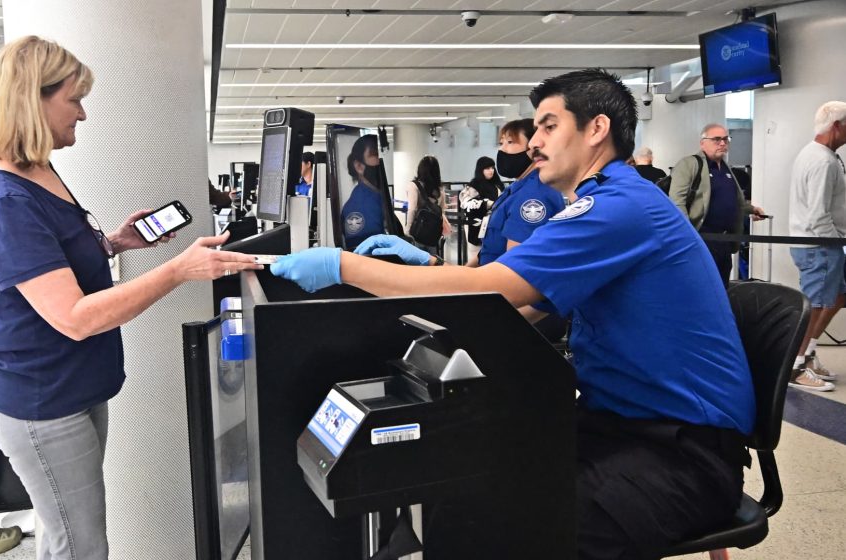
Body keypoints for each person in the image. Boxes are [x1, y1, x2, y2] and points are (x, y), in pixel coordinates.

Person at [269, 69, 754, 559]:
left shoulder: (620, 207)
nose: (535, 142)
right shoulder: (602, 201)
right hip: (614, 425)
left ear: (597, 129)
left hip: (682, 452)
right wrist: (433, 267)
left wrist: (344, 265)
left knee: (516, 527)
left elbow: (490, 287)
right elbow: (510, 304)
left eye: (548, 127)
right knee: (461, 484)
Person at [0, 36, 261, 560]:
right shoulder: (7, 200)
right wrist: (179, 270)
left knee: (64, 535)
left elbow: (51, 269)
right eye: (74, 100)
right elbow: (73, 317)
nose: (84, 114)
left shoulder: (39, 170)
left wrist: (114, 243)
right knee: (80, 547)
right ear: (35, 99)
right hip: (46, 402)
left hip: (77, 388)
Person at [787, 101, 846, 392]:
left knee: (838, 297)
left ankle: (807, 354)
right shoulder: (822, 160)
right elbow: (818, 215)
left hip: (823, 244)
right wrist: (836, 243)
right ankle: (795, 367)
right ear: (837, 126)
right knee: (815, 305)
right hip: (819, 245)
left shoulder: (820, 155)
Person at [668, 124, 766, 287]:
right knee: (702, 288)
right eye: (716, 139)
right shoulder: (690, 164)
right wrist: (687, 234)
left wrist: (751, 210)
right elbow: (676, 201)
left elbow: (732, 199)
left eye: (726, 139)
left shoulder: (726, 169)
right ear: (702, 143)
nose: (722, 143)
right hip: (702, 240)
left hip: (725, 241)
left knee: (722, 288)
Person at [475, 118, 565, 267]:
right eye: (501, 143)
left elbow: (515, 263)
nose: (502, 150)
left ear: (534, 148)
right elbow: (490, 250)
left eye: (510, 143)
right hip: (489, 277)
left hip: (502, 285)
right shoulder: (516, 188)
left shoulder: (534, 195)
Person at [339, 134, 386, 250]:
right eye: (374, 154)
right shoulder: (359, 205)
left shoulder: (377, 197)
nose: (379, 160)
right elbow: (365, 253)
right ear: (359, 166)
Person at [459, 156, 503, 260]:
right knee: (475, 256)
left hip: (494, 224)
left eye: (492, 168)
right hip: (476, 226)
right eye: (487, 168)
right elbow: (465, 203)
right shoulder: (474, 185)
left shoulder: (498, 185)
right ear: (481, 169)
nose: (491, 171)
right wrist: (486, 204)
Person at [405, 155, 451, 253]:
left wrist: (408, 231)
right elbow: (441, 211)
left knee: (416, 263)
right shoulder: (439, 189)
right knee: (431, 263)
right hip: (433, 235)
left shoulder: (414, 186)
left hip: (418, 233)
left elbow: (412, 209)